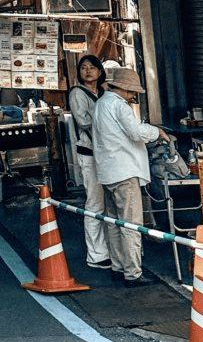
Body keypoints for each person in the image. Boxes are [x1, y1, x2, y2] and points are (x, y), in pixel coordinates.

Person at [91, 66, 169, 286]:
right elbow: (135, 132)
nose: (134, 95)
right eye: (133, 91)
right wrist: (157, 132)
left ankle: (118, 268)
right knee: (131, 225)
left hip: (107, 172)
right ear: (125, 89)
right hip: (125, 172)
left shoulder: (101, 104)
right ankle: (133, 273)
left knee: (113, 223)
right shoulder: (119, 106)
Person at [68, 55, 111, 269]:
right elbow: (83, 121)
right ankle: (96, 255)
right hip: (90, 153)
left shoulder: (104, 93)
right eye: (83, 67)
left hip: (108, 154)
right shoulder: (77, 93)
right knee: (95, 203)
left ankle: (110, 249)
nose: (87, 71)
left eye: (92, 67)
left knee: (109, 203)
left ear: (100, 71)